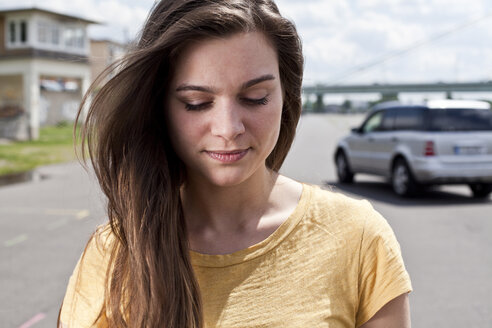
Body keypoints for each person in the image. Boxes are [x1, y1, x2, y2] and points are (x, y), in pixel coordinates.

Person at [59, 0, 412, 327]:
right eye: (197, 102)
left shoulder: (358, 236)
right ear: (159, 106)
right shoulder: (116, 251)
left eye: (255, 98)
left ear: (286, 96)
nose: (228, 129)